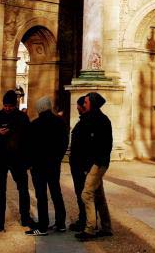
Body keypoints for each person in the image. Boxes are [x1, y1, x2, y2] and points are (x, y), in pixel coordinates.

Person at [0, 90, 33, 233]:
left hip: (18, 158)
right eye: (5, 105)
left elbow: (29, 140)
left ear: (15, 105)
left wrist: (28, 159)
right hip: (1, 157)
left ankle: (25, 217)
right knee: (0, 190)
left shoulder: (22, 118)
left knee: (23, 189)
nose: (7, 108)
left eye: (10, 106)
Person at [26, 97, 68, 236]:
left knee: (41, 195)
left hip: (38, 165)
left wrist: (30, 163)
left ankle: (43, 226)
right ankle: (61, 223)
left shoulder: (35, 124)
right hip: (53, 164)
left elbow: (29, 147)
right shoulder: (60, 123)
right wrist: (58, 158)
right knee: (56, 192)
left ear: (39, 109)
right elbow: (64, 143)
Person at [75, 92, 113, 242]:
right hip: (96, 162)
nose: (83, 105)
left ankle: (90, 228)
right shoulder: (94, 118)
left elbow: (100, 145)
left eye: (86, 102)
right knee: (98, 195)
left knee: (86, 193)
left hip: (97, 163)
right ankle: (106, 227)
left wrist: (94, 162)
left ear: (92, 103)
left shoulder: (99, 120)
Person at [68, 96, 89, 233]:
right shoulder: (84, 121)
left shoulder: (87, 122)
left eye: (79, 105)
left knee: (83, 193)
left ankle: (85, 221)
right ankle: (85, 219)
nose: (76, 107)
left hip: (81, 164)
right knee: (80, 192)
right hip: (78, 163)